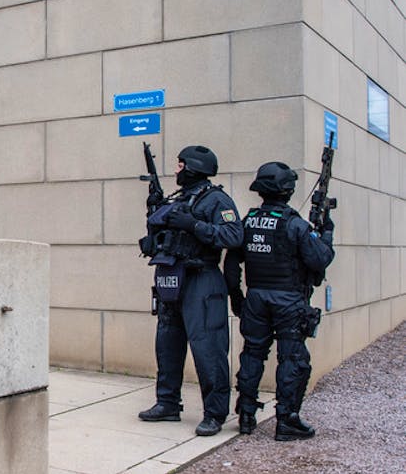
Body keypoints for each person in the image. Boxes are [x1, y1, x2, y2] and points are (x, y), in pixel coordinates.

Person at [224, 161, 335, 441]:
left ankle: (246, 414)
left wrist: (237, 297)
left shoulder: (248, 221)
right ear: (287, 190)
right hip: (288, 299)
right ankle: (287, 419)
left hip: (256, 297)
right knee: (293, 358)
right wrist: (327, 233)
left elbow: (232, 264)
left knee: (252, 354)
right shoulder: (295, 224)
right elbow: (320, 258)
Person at [137, 145, 242, 436]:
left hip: (202, 279)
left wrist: (194, 225)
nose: (176, 170)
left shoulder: (217, 200)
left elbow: (234, 235)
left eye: (181, 165)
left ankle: (215, 413)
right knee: (167, 344)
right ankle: (167, 403)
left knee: (208, 348)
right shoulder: (177, 198)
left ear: (194, 167)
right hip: (172, 278)